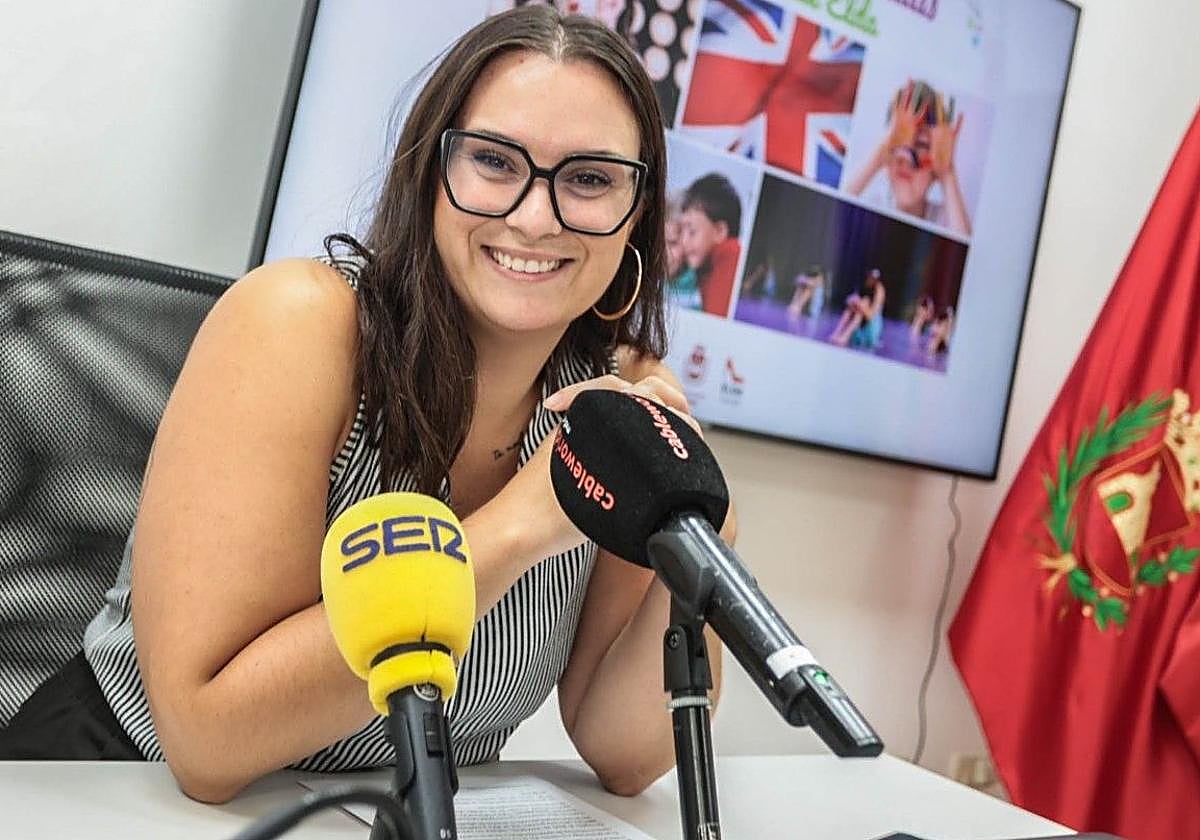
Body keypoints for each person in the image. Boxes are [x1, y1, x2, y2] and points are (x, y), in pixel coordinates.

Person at [0, 6, 735, 805]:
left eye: (589, 179)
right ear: (431, 172)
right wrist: (522, 524)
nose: (534, 215)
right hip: (116, 793)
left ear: (638, 216)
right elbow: (209, 744)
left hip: (384, 813)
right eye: (493, 160)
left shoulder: (613, 393)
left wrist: (698, 536)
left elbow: (623, 752)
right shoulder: (300, 324)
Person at [845, 80, 972, 237]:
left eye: (921, 145)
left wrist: (947, 174)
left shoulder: (947, 220)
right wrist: (877, 158)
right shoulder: (871, 205)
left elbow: (966, 254)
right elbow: (832, 221)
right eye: (898, 142)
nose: (906, 160)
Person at [678, 172, 742, 317]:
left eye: (692, 231)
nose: (684, 241)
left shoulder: (731, 254)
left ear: (719, 231)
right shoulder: (704, 267)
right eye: (681, 231)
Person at [830, 268, 886, 348]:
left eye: (873, 279)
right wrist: (854, 302)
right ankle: (837, 333)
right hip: (860, 317)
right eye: (869, 277)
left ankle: (845, 336)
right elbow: (850, 299)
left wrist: (862, 306)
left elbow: (871, 316)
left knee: (859, 312)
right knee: (849, 310)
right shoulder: (863, 285)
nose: (870, 280)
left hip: (869, 324)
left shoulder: (879, 291)